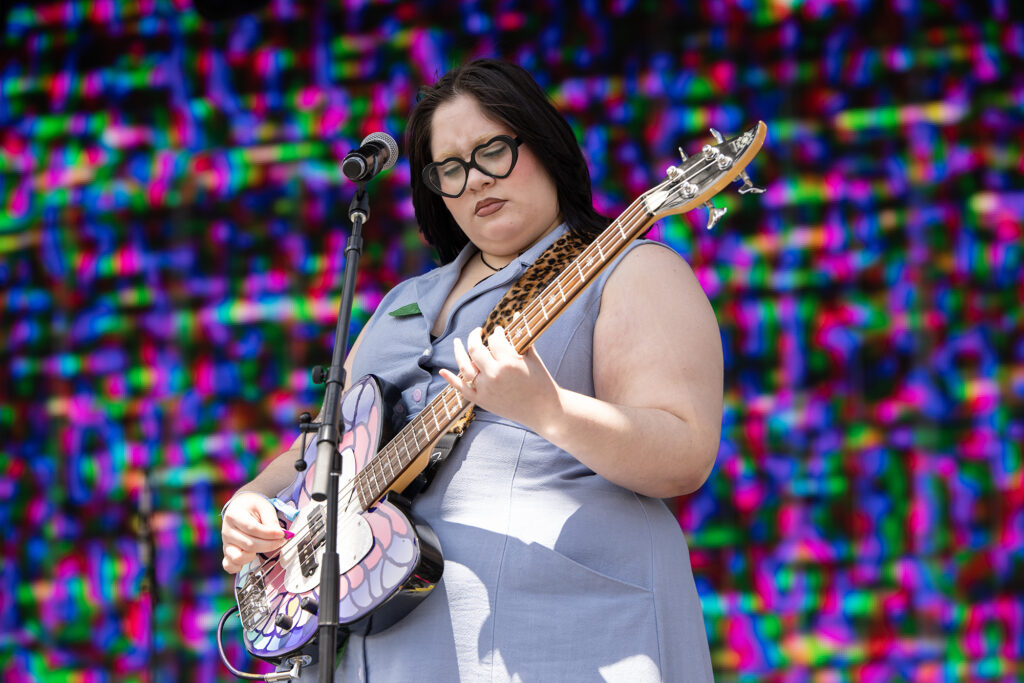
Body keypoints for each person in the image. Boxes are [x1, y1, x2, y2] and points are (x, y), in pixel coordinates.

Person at [220, 58, 722, 681]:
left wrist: (549, 411)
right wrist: (254, 500)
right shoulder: (403, 300)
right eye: (450, 168)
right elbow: (325, 449)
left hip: (570, 640)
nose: (476, 181)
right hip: (388, 651)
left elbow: (684, 455)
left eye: (493, 151)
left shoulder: (628, 268)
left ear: (542, 143)